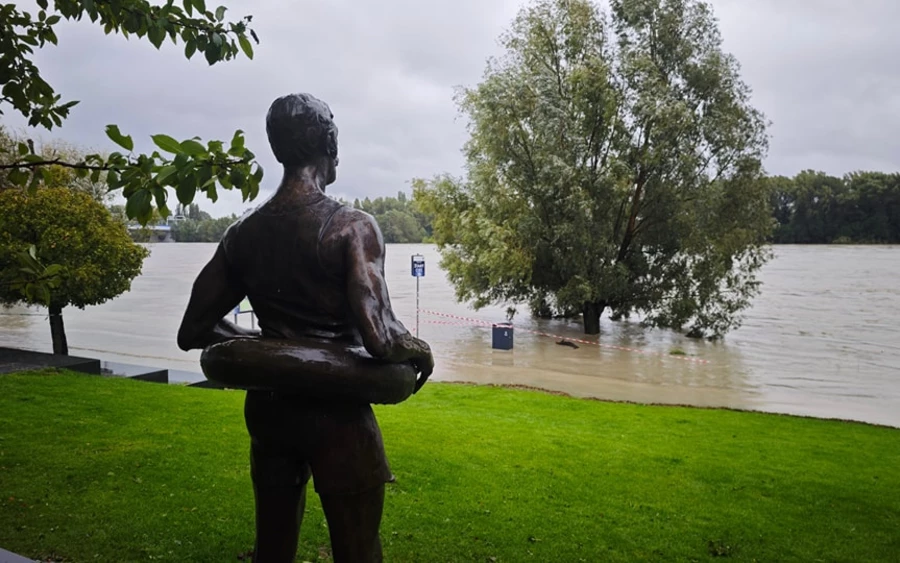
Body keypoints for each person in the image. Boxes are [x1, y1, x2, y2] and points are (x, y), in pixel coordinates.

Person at [176, 92, 434, 563]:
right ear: (329, 144)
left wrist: (263, 350)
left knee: (273, 546)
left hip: (271, 413)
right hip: (339, 420)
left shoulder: (243, 234)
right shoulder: (351, 227)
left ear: (277, 148)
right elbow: (381, 337)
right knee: (357, 548)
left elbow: (194, 328)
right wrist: (419, 351)